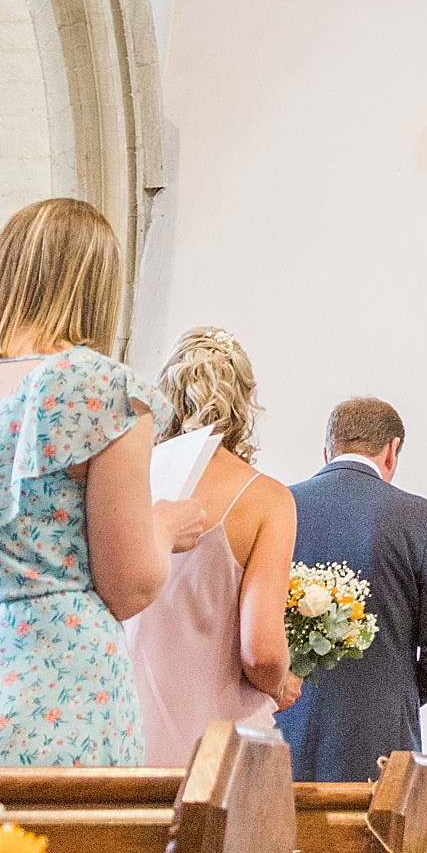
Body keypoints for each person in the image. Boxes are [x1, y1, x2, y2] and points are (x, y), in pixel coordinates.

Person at [0, 198, 203, 763]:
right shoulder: (98, 388)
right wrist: (163, 527)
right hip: (59, 692)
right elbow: (128, 586)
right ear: (97, 288)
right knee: (57, 852)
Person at [131, 327, 300, 766]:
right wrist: (281, 680)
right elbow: (261, 654)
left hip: (124, 728)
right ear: (246, 399)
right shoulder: (267, 498)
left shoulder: (124, 479)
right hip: (218, 749)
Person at [279, 397, 427, 781]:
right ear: (392, 450)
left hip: (280, 732)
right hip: (377, 741)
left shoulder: (280, 505)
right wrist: (392, 693)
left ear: (328, 451)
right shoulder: (420, 519)